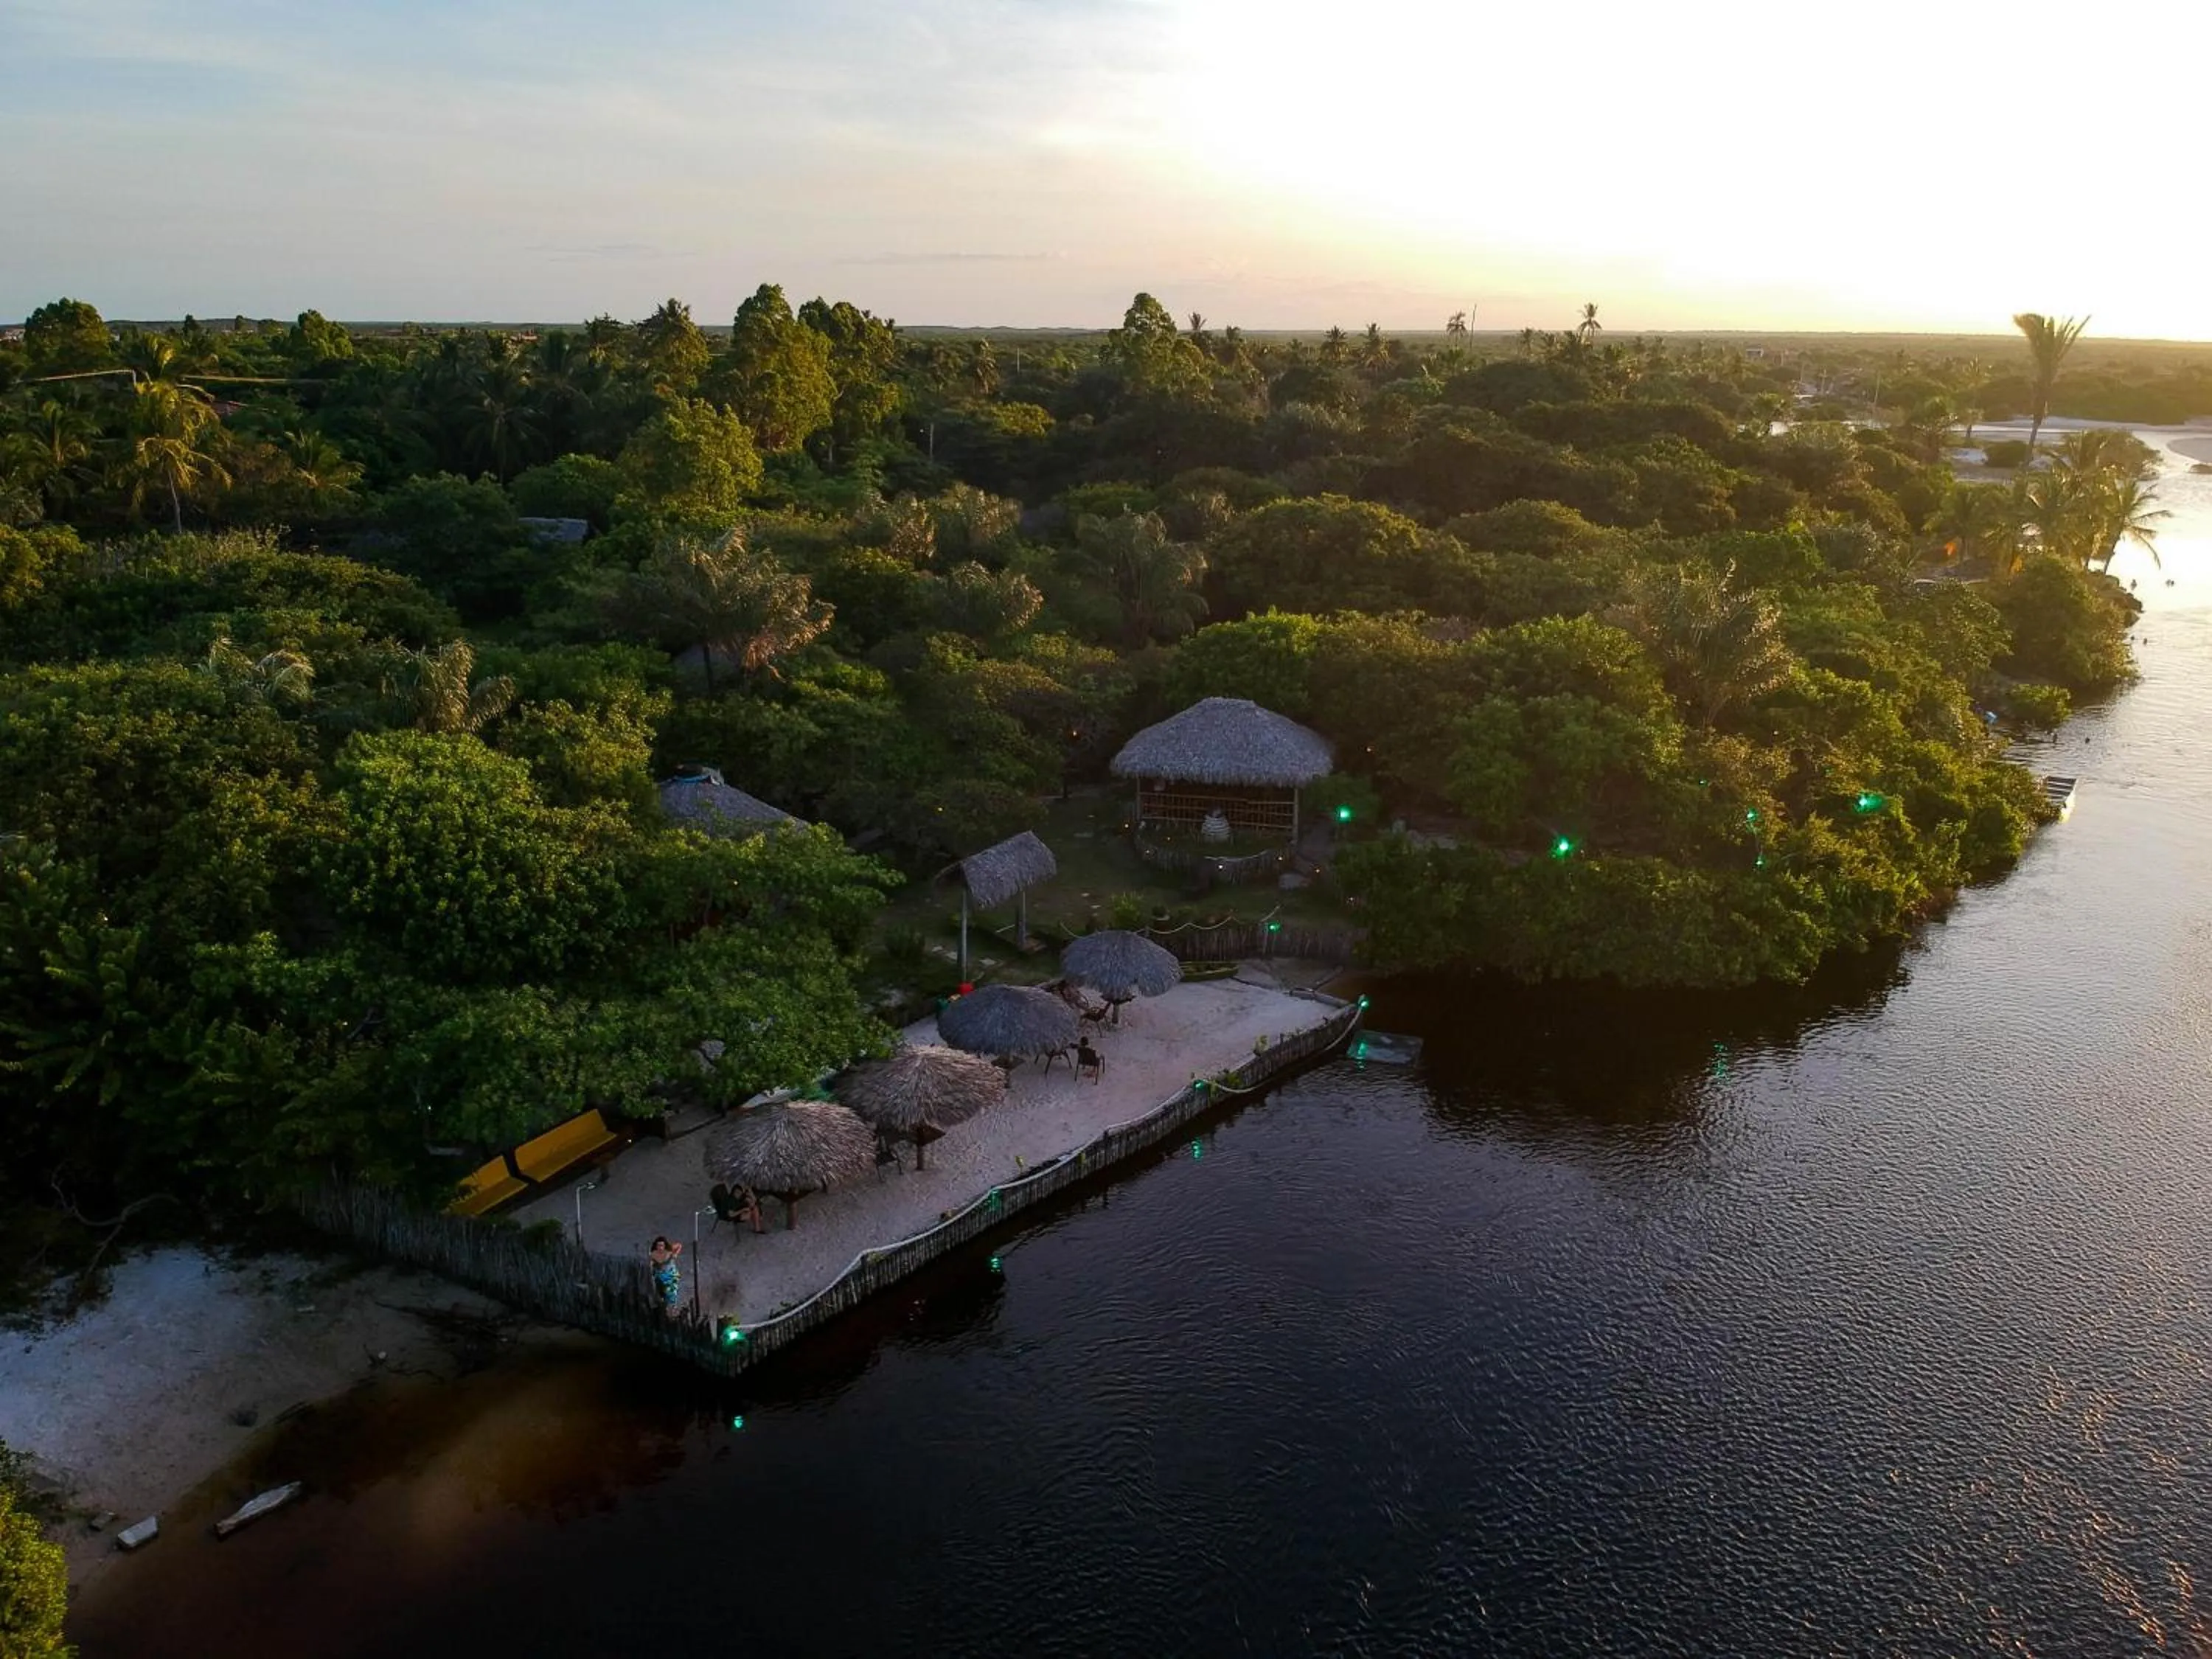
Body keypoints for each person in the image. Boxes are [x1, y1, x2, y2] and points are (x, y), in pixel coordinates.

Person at [649, 1235, 683, 1316]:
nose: (660, 1248)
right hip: (660, 1276)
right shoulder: (654, 1254)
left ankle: (671, 1310)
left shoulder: (669, 1252)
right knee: (659, 1294)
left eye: (662, 1245)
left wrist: (674, 1253)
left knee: (671, 1295)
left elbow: (679, 1245)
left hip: (670, 1276)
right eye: (658, 1245)